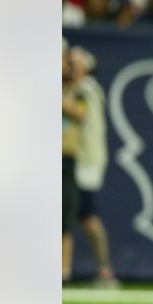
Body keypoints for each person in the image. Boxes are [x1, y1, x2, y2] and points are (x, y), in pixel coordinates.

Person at [69, 46, 118, 287]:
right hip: (82, 159)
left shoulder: (85, 89)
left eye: (74, 64)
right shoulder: (85, 88)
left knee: (87, 216)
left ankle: (104, 270)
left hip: (85, 161)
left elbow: (79, 114)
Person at [62, 40, 88, 284]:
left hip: (67, 159)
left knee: (65, 217)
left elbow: (81, 113)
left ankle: (64, 272)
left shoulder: (78, 91)